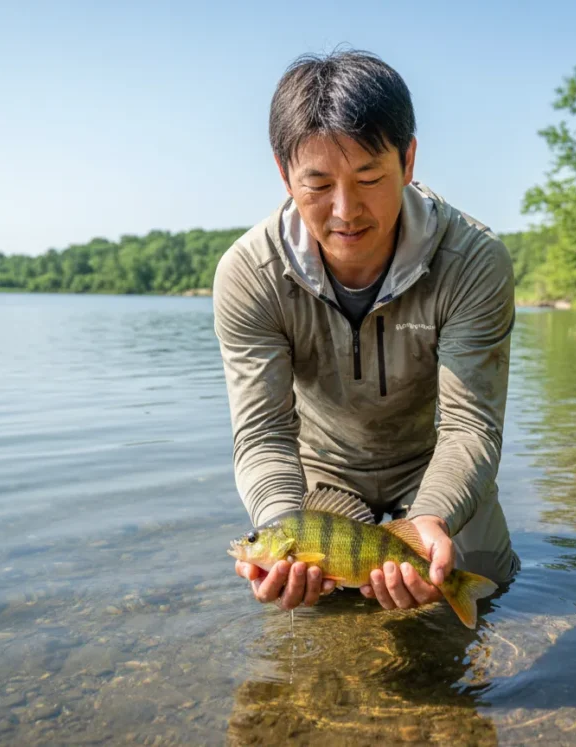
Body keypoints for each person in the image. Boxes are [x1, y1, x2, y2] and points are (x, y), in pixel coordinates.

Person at [213, 49, 519, 615]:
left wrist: (433, 516)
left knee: (489, 586)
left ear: (408, 160)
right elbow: (262, 435)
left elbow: (470, 425)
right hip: (322, 472)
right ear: (283, 174)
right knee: (308, 612)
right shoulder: (248, 275)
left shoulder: (475, 262)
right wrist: (280, 529)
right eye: (318, 183)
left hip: (431, 462)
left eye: (370, 177)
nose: (345, 210)